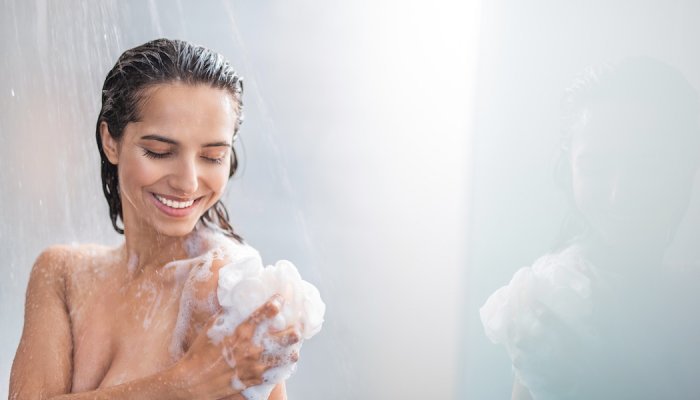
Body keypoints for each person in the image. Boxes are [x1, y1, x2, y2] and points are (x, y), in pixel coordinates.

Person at [9, 38, 299, 400]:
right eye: (160, 151)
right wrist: (184, 384)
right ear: (110, 142)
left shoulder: (225, 290)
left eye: (212, 156)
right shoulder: (61, 274)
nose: (188, 182)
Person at [480, 57, 700, 399]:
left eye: (648, 165)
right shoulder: (556, 306)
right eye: (594, 166)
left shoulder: (686, 292)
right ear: (568, 170)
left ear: (686, 166)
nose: (619, 194)